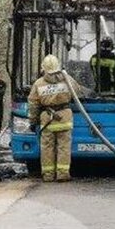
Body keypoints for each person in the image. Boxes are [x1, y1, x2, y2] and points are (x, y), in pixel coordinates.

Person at [28, 54, 84, 182]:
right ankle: (63, 174)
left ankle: (48, 175)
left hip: (47, 119)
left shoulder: (39, 83)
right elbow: (78, 92)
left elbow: (33, 104)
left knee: (47, 148)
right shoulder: (67, 80)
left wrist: (33, 121)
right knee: (64, 147)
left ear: (44, 68)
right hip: (64, 118)